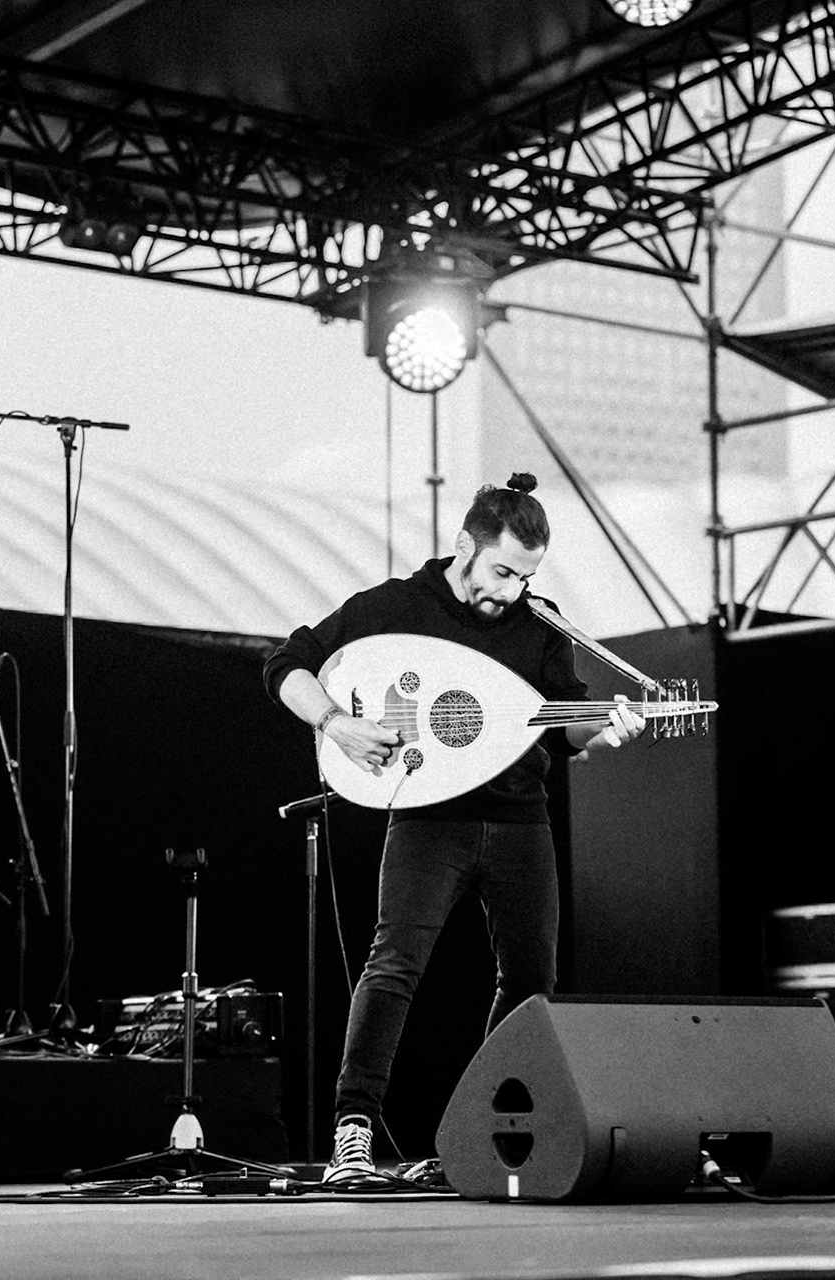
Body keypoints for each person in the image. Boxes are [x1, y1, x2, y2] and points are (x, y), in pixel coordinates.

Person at [261, 474, 645, 1183]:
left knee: (533, 981)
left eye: (525, 577)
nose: (509, 591)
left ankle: (478, 1128)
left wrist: (603, 732)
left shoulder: (541, 623)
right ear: (464, 545)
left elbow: (565, 726)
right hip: (428, 818)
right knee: (397, 963)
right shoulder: (397, 606)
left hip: (519, 819)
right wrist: (337, 723)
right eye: (501, 570)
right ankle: (354, 1129)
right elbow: (285, 663)